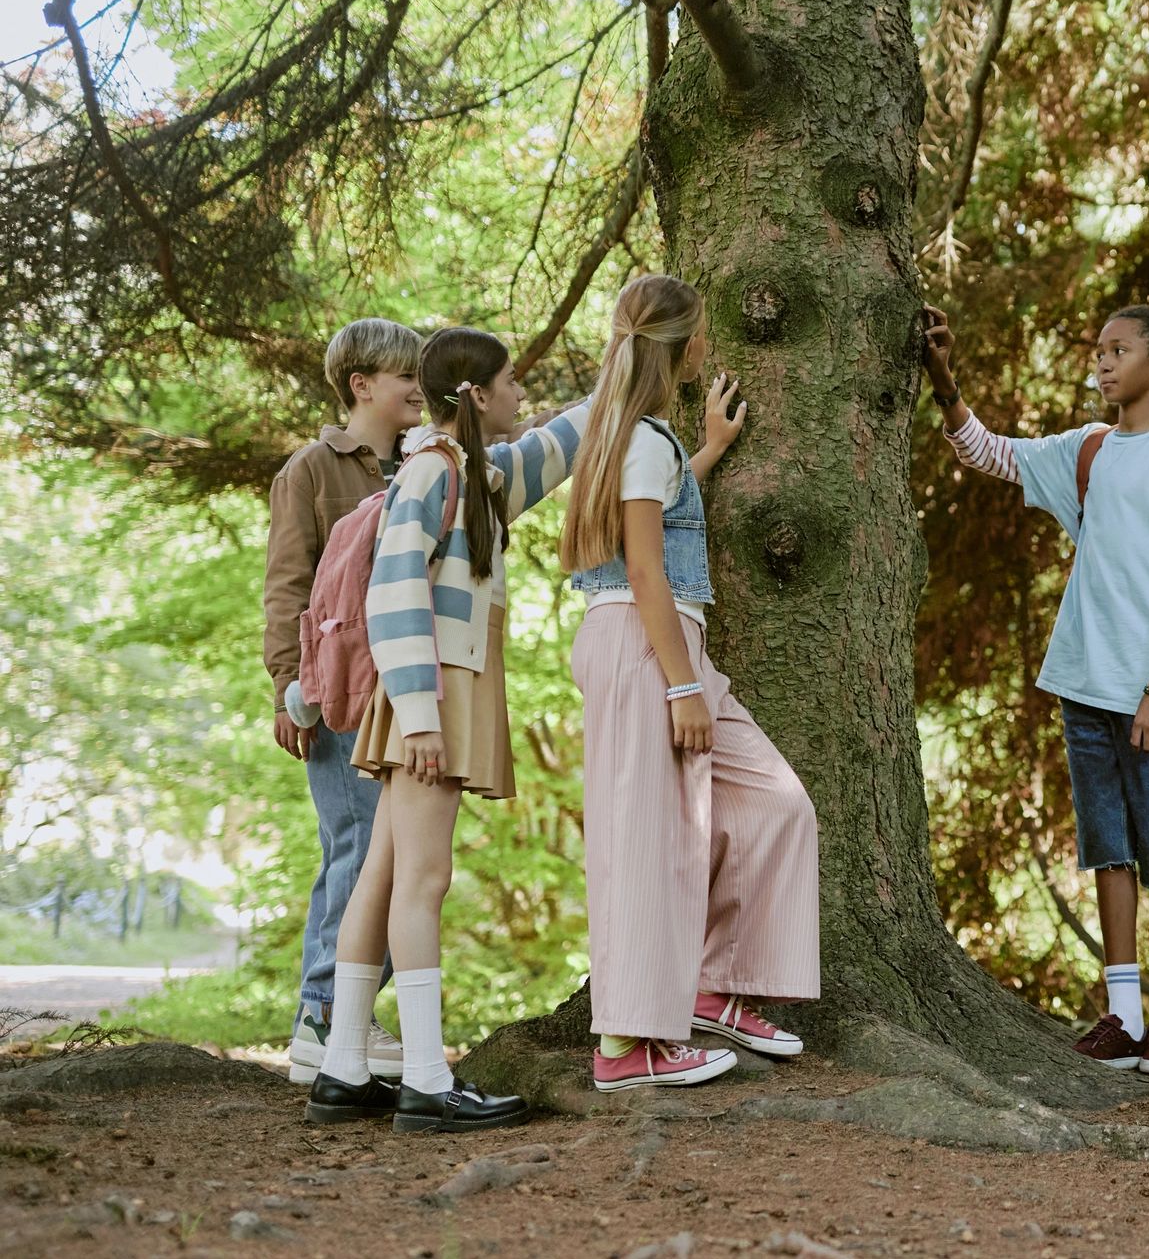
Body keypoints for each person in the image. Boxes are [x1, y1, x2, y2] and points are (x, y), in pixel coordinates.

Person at [919, 301, 1149, 1079]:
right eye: (1097, 351)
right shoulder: (1083, 450)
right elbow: (986, 453)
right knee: (1110, 851)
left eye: (1118, 351)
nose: (1101, 363)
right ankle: (1122, 1016)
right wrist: (941, 374)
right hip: (1084, 685)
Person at [303, 327, 591, 1133]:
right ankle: (429, 1079)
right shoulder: (433, 472)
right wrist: (424, 718)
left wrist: (635, 363)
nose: (520, 396)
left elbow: (556, 443)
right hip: (431, 693)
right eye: (510, 383)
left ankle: (342, 1068)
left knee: (383, 877)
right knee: (423, 879)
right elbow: (392, 594)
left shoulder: (476, 474)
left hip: (428, 692)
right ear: (476, 394)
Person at [559, 274, 818, 1093]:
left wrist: (705, 450)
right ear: (687, 345)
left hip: (667, 645)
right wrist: (680, 687)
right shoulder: (634, 437)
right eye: (703, 332)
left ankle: (710, 987)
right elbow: (640, 567)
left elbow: (657, 523)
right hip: (648, 646)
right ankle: (624, 1046)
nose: (710, 343)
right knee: (648, 845)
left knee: (776, 803)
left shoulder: (643, 440)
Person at [263, 317, 422, 1085]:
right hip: (338, 694)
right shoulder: (313, 470)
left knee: (399, 857)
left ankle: (351, 1013)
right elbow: (288, 583)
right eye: (407, 375)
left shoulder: (426, 467)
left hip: (411, 689)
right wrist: (286, 687)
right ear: (362, 385)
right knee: (356, 851)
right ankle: (322, 1016)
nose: (420, 387)